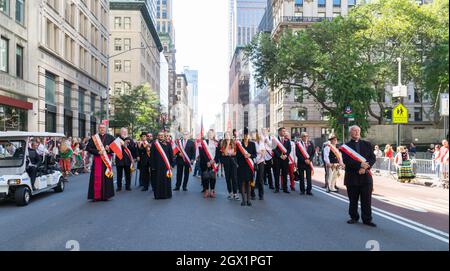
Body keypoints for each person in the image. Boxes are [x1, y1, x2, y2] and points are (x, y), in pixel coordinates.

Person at [340, 125, 376, 227]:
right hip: (352, 176)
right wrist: (360, 165)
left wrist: (364, 168)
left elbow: (372, 158)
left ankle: (367, 219)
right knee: (353, 200)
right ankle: (354, 217)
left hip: (366, 176)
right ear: (350, 133)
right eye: (354, 130)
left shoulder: (367, 144)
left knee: (367, 200)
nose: (356, 132)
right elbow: (347, 160)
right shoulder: (345, 147)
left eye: (358, 130)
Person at [86, 124, 115, 201]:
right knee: (96, 177)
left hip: (106, 161)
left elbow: (115, 148)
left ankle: (106, 195)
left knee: (106, 177)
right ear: (98, 129)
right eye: (100, 128)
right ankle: (96, 196)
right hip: (97, 159)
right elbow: (88, 148)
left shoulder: (110, 137)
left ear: (106, 129)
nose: (102, 129)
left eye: (103, 128)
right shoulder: (94, 138)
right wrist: (97, 151)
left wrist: (109, 149)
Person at [150, 131, 174, 199]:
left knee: (166, 180)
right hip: (157, 166)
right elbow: (152, 156)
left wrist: (172, 164)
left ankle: (167, 194)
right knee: (157, 180)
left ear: (164, 136)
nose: (161, 136)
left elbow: (171, 154)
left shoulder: (168, 144)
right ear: (157, 136)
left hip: (166, 166)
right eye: (159, 135)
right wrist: (152, 166)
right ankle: (158, 195)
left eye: (162, 135)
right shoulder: (154, 144)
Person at [236, 128, 257, 206]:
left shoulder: (252, 144)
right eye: (244, 135)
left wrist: (250, 155)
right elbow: (237, 156)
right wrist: (243, 155)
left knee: (248, 183)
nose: (246, 136)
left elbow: (255, 154)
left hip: (249, 166)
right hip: (241, 166)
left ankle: (248, 200)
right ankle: (243, 200)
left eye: (247, 135)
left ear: (249, 136)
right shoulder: (239, 145)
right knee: (242, 183)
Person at [199, 129, 220, 198]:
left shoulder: (216, 142)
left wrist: (213, 161)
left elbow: (218, 153)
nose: (210, 134)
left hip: (214, 163)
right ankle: (206, 191)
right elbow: (202, 153)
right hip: (205, 162)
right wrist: (207, 161)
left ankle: (212, 191)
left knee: (212, 177)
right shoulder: (204, 142)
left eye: (211, 133)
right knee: (205, 177)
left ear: (214, 134)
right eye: (209, 133)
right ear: (207, 134)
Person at [220, 131, 239, 200]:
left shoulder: (234, 142)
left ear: (230, 136)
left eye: (228, 135)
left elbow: (235, 153)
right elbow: (224, 153)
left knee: (234, 177)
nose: (227, 136)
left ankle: (235, 193)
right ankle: (230, 193)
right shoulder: (222, 143)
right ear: (224, 136)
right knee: (228, 178)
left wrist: (230, 153)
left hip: (233, 162)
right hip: (226, 162)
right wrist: (227, 144)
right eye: (226, 135)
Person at [272, 127, 291, 193]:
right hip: (277, 159)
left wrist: (286, 155)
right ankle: (277, 188)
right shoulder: (275, 140)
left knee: (285, 174)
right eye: (283, 131)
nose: (284, 132)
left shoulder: (287, 140)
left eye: (284, 131)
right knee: (277, 174)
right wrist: (280, 156)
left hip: (285, 159)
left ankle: (285, 188)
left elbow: (289, 149)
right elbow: (274, 149)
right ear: (279, 132)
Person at [251, 130, 266, 200]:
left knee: (260, 178)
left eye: (260, 134)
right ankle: (252, 193)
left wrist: (259, 159)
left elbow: (263, 152)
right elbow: (251, 152)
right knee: (252, 178)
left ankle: (261, 194)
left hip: (260, 162)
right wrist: (259, 152)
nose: (259, 136)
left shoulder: (262, 143)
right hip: (253, 162)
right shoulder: (251, 143)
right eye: (258, 134)